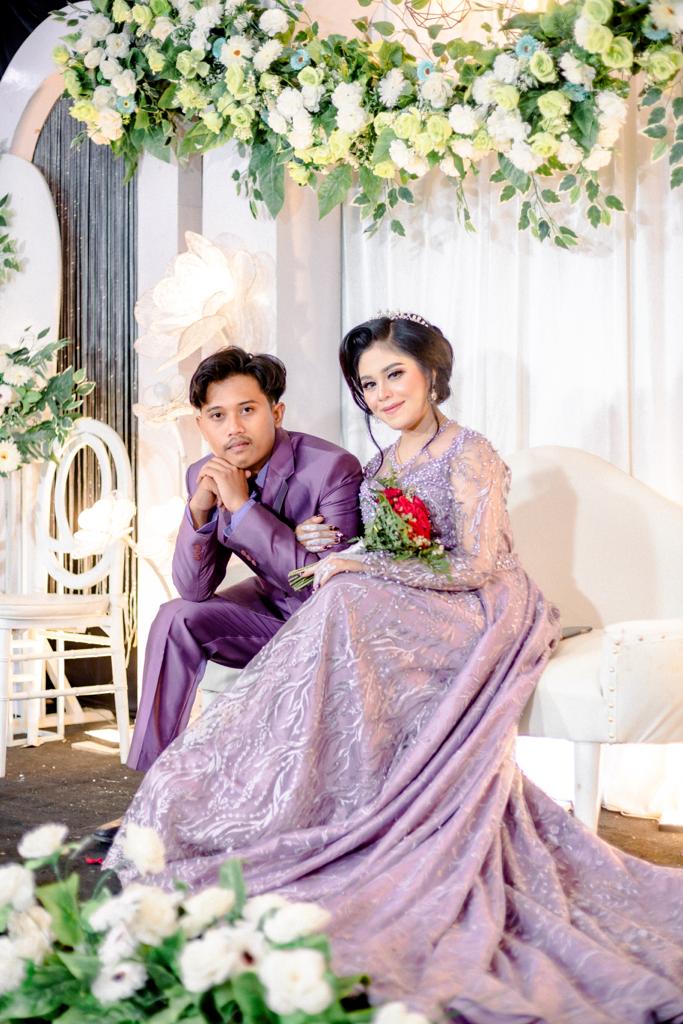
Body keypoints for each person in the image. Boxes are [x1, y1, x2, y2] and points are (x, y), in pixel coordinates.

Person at [106, 315, 683, 1023]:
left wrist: (339, 557)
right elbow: (236, 577)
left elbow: (472, 562)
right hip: (377, 596)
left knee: (347, 595)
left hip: (480, 603)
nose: (381, 392)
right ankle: (186, 794)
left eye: (394, 375)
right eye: (368, 382)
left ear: (431, 373)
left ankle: (316, 798)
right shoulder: (380, 465)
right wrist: (313, 544)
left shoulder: (457, 453)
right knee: (235, 608)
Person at [127, 346, 363, 773]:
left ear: (277, 412)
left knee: (323, 597)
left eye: (247, 410)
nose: (233, 428)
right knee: (175, 616)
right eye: (217, 415)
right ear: (201, 424)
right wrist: (200, 509)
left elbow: (327, 588)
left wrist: (242, 508)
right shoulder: (204, 474)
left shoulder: (333, 469)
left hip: (326, 624)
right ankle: (155, 776)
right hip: (269, 608)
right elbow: (194, 588)